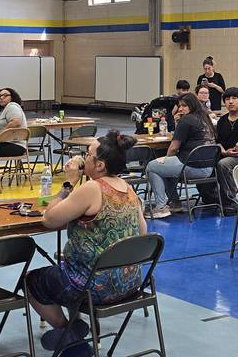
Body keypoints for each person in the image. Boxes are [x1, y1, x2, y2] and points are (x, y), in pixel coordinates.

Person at [27, 131, 147, 351]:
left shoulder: (92, 188)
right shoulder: (128, 188)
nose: (83, 158)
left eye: (88, 154)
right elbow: (142, 231)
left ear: (99, 165)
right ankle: (75, 326)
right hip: (129, 283)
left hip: (93, 287)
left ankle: (69, 333)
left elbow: (49, 219)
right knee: (67, 267)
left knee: (33, 281)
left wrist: (68, 183)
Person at [145, 93, 216, 219]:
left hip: (191, 166)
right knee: (166, 169)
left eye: (184, 106)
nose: (181, 109)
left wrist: (165, 159)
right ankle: (175, 203)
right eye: (179, 106)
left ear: (192, 105)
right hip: (208, 168)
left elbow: (173, 147)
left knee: (152, 166)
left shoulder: (187, 119)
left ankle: (161, 207)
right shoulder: (205, 118)